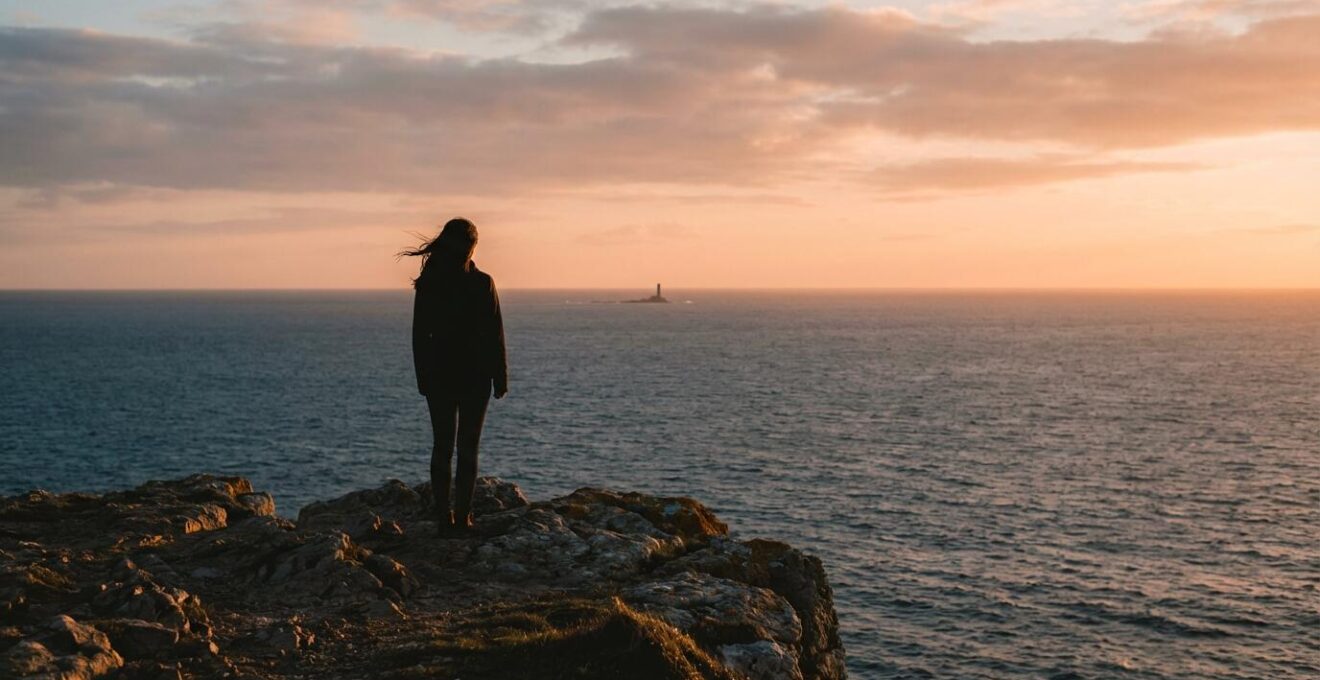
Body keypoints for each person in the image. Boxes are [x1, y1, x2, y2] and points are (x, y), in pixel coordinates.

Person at [401, 218, 508, 535]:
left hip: (440, 376)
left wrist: (423, 377)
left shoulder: (430, 283)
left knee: (443, 446)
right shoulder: (482, 283)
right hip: (475, 377)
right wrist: (500, 377)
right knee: (466, 447)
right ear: (472, 246)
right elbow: (495, 333)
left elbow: (420, 336)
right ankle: (461, 519)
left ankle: (445, 520)